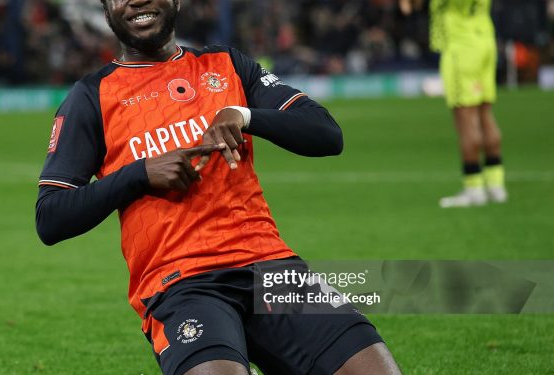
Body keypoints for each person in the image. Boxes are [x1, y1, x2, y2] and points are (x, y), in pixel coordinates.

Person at [35, 0, 402, 374]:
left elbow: (326, 134)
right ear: (106, 7)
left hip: (270, 268)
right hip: (182, 284)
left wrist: (245, 116)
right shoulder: (91, 96)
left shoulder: (226, 65)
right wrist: (140, 174)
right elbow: (50, 218)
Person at [401, 0, 508, 208]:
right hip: (485, 40)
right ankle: (496, 185)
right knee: (485, 114)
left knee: (465, 119)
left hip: (461, 48)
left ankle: (473, 187)